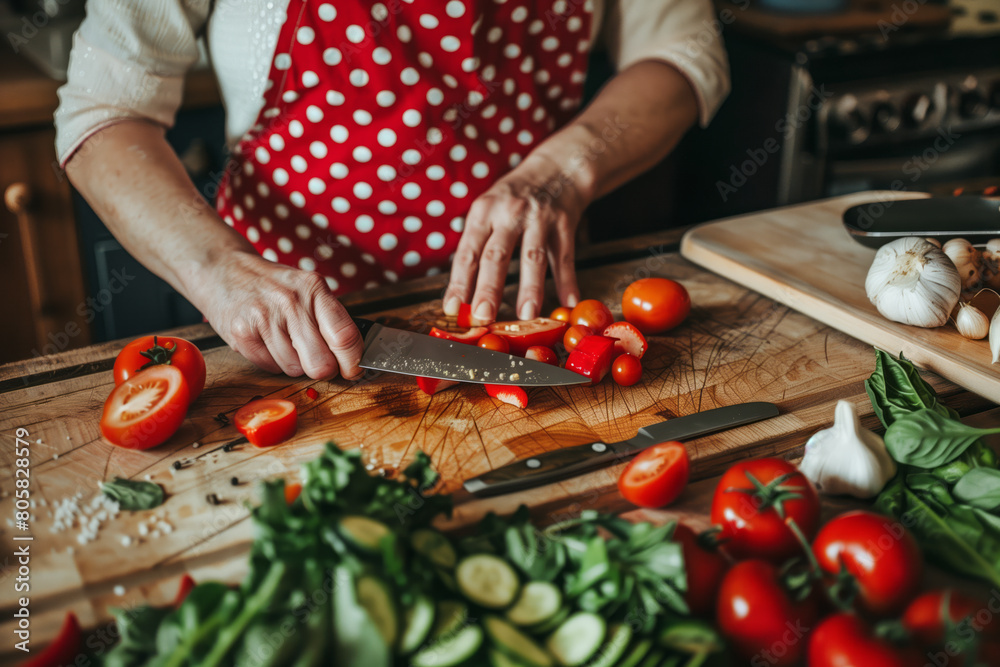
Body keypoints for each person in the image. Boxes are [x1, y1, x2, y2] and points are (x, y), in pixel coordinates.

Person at [55, 0, 728, 381]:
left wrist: (565, 168)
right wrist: (223, 272)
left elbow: (683, 50)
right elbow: (102, 111)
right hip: (286, 330)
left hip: (534, 309)